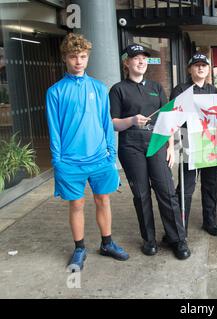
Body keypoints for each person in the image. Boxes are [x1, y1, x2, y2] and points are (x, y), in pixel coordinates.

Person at [46, 33, 129, 272]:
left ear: (88, 57)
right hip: (70, 162)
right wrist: (57, 161)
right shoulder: (55, 92)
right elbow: (54, 130)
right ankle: (80, 248)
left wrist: (111, 155)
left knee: (103, 200)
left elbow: (106, 123)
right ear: (65, 58)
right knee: (77, 205)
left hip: (100, 158)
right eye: (73, 57)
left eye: (82, 56)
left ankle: (107, 243)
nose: (78, 61)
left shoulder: (99, 88)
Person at [109, 44, 190, 260]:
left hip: (156, 140)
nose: (141, 61)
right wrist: (132, 120)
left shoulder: (156, 87)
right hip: (131, 144)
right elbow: (114, 124)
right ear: (127, 62)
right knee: (141, 194)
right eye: (135, 58)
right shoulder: (118, 89)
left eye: (144, 58)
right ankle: (149, 239)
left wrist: (171, 147)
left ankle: (177, 239)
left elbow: (168, 119)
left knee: (166, 190)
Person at [170, 52, 217, 237]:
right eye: (196, 65)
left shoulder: (214, 91)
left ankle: (210, 222)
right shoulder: (180, 90)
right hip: (189, 146)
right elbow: (174, 118)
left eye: (204, 65)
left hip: (211, 146)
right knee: (186, 188)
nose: (200, 68)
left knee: (211, 186)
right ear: (190, 69)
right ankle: (179, 226)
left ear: (208, 69)